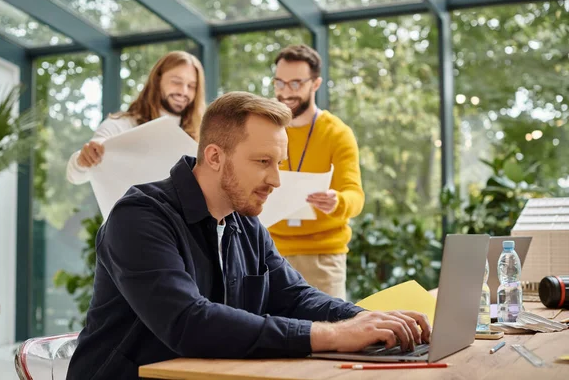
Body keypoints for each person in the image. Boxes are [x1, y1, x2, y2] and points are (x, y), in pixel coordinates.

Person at [66, 92, 430, 380]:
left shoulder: (245, 224)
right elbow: (188, 322)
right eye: (262, 162)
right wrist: (334, 336)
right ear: (214, 156)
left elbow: (294, 297)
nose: (276, 180)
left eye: (279, 163)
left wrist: (370, 323)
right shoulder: (140, 217)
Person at [268, 44, 364, 299]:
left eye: (296, 84)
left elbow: (355, 195)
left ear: (316, 84)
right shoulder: (265, 127)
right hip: (269, 253)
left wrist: (338, 201)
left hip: (323, 258)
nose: (286, 92)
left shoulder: (337, 133)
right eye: (279, 83)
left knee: (332, 334)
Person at [66, 50, 206, 184]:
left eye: (192, 86)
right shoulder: (122, 124)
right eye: (176, 82)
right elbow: (75, 175)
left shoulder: (200, 137)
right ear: (157, 81)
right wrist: (85, 157)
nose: (183, 91)